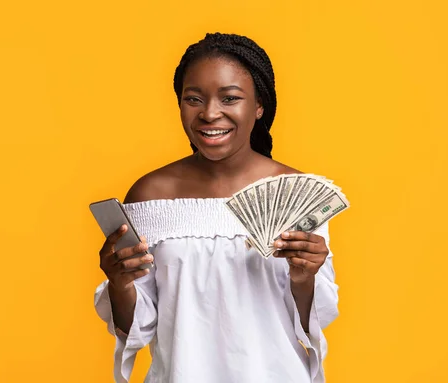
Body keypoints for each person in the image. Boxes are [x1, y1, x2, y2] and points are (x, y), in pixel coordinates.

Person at [94, 32, 339, 383]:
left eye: (230, 98)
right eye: (193, 98)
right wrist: (119, 283)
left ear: (259, 106)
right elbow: (137, 326)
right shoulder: (150, 194)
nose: (210, 113)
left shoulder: (294, 192)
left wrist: (305, 277)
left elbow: (313, 322)